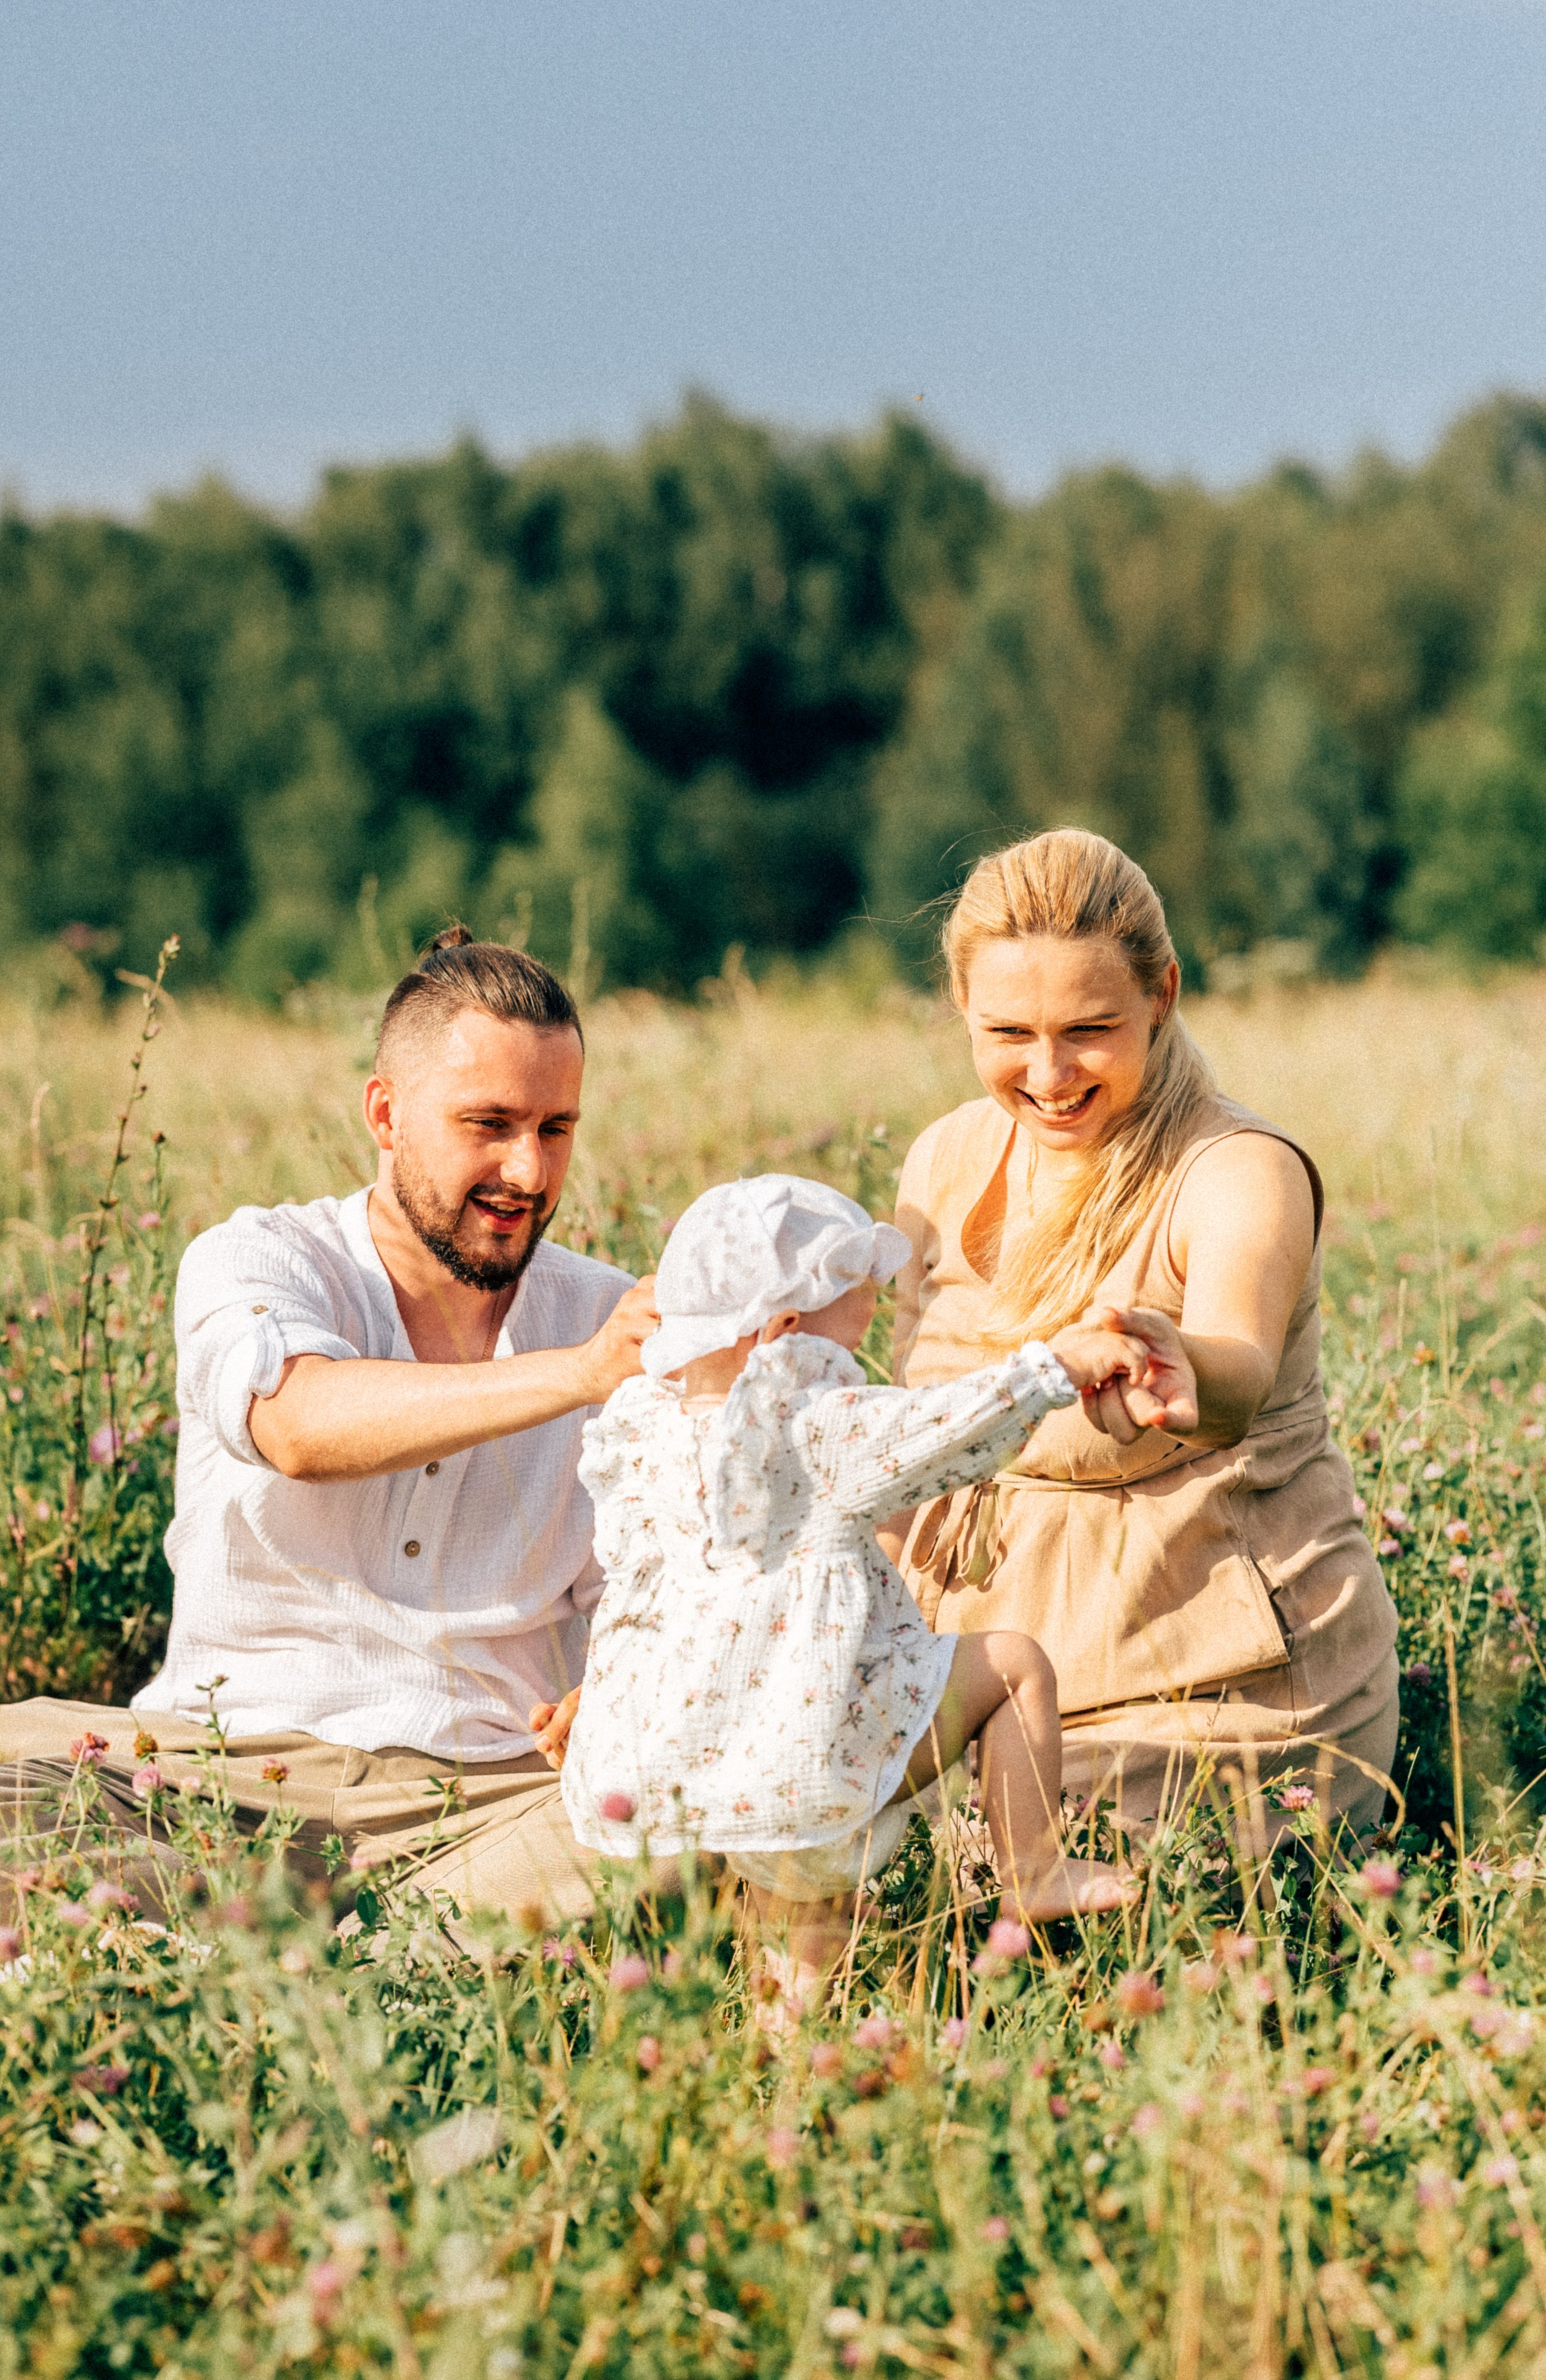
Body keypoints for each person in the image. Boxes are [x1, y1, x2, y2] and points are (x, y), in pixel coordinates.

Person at [0, 929, 659, 1928]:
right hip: (214, 1774)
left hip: (486, 1798)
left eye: (556, 1128)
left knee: (716, 1811)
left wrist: (626, 1683)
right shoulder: (258, 1259)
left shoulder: (609, 1319)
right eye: (489, 1123)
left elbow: (658, 1585)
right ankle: (353, 1942)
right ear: (384, 1114)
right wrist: (576, 1375)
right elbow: (299, 1424)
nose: (527, 1170)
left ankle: (328, 1943)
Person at [554, 1173, 1196, 2018]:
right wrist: (1054, 1367)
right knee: (1012, 1666)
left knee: (802, 1919)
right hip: (802, 1756)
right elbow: (942, 1429)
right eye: (847, 1340)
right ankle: (1035, 1871)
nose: (852, 1365)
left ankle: (785, 2071)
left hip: (677, 1768)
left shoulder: (645, 1430)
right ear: (784, 1333)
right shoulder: (809, 1417)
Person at [880, 830, 1400, 1840]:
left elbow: (1238, 1366)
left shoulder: (1237, 1171)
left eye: (1090, 1028)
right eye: (1008, 1033)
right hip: (978, 1673)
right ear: (962, 1012)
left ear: (1162, 993)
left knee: (1000, 1901)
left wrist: (1184, 1364)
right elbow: (903, 1451)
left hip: (1212, 1686)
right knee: (757, 1832)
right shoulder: (942, 1159)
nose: (1048, 1072)